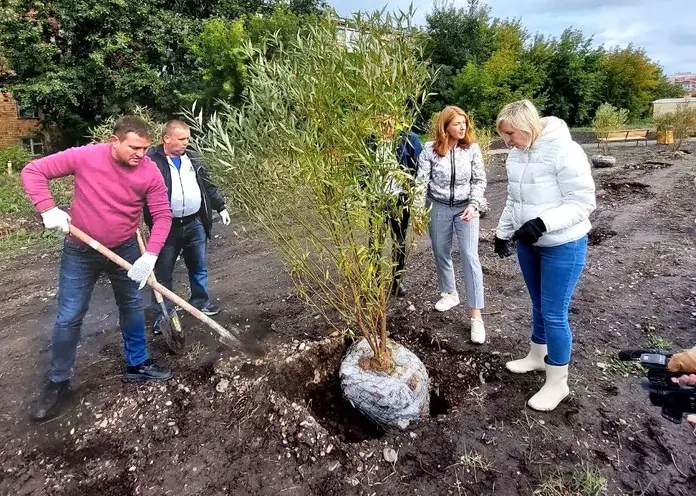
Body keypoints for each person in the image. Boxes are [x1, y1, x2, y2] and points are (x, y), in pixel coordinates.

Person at [21, 116, 174, 421]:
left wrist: (151, 255)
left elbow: (162, 215)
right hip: (80, 251)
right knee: (70, 315)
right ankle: (59, 382)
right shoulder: (86, 156)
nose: (140, 154)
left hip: (126, 248)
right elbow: (33, 171)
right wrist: (47, 208)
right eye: (134, 147)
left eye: (145, 148)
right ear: (114, 141)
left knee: (131, 305)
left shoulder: (149, 171)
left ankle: (137, 365)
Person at [494, 99, 596, 412]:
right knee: (538, 304)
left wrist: (543, 223)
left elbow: (582, 203)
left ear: (527, 127)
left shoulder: (565, 150)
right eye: (504, 135)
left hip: (563, 245)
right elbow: (513, 199)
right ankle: (537, 357)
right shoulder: (516, 155)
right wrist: (501, 232)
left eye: (510, 134)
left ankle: (557, 382)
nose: (507, 141)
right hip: (529, 244)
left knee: (554, 312)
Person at [144, 120, 230, 334]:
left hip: (194, 223)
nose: (185, 143)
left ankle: (200, 301)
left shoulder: (194, 159)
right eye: (181, 139)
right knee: (163, 273)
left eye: (187, 139)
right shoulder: (151, 161)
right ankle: (163, 314)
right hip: (165, 227)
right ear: (166, 138)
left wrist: (221, 207)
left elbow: (208, 185)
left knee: (198, 267)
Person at [416, 106, 487, 344]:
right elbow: (420, 183)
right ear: (445, 126)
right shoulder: (430, 150)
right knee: (440, 251)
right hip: (438, 206)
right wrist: (418, 212)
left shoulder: (472, 149)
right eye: (457, 123)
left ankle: (476, 316)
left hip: (467, 207)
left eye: (464, 123)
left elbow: (479, 179)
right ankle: (449, 293)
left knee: (469, 255)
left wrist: (475, 204)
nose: (462, 127)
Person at [369, 117, 423, 297]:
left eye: (390, 115)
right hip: (377, 199)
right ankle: (374, 284)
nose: (385, 120)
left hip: (400, 199)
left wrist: (414, 194)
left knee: (399, 241)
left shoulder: (409, 139)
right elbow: (362, 170)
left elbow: (420, 167)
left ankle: (397, 282)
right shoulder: (370, 141)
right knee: (375, 242)